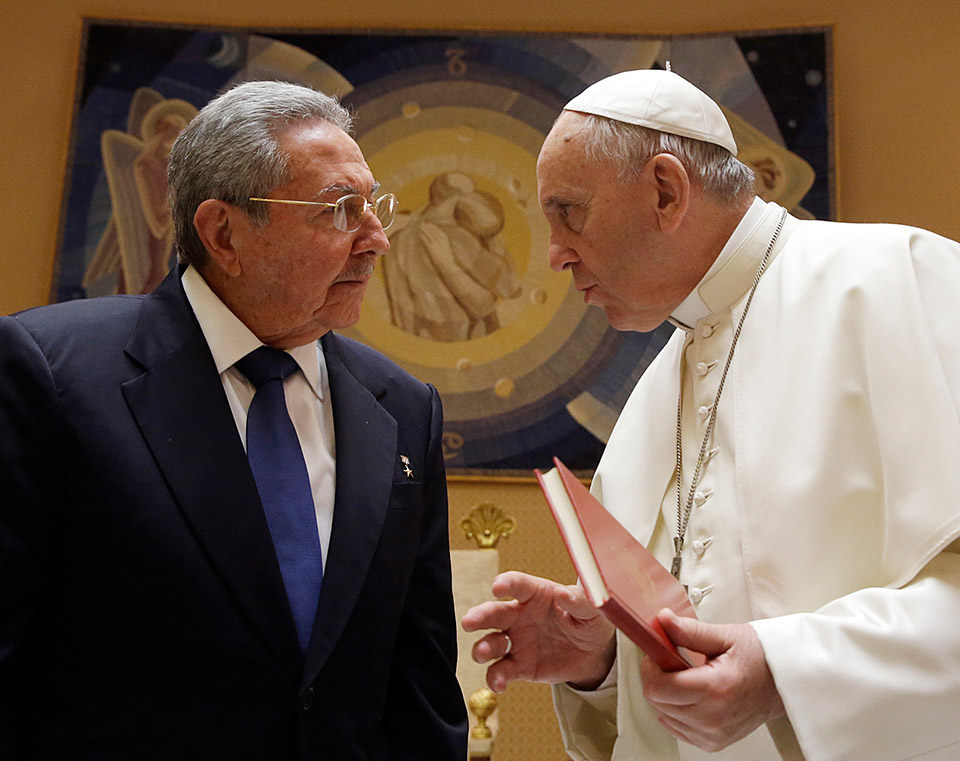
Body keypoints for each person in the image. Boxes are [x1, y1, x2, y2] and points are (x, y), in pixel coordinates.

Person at [462, 68, 960, 761]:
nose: (555, 255)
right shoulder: (656, 386)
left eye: (569, 212)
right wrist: (600, 662)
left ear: (666, 190)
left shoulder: (896, 280)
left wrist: (788, 673)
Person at [0, 80, 467, 760]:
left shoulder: (400, 406)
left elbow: (419, 687)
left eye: (375, 207)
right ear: (223, 231)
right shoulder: (51, 373)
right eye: (340, 211)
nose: (377, 241)